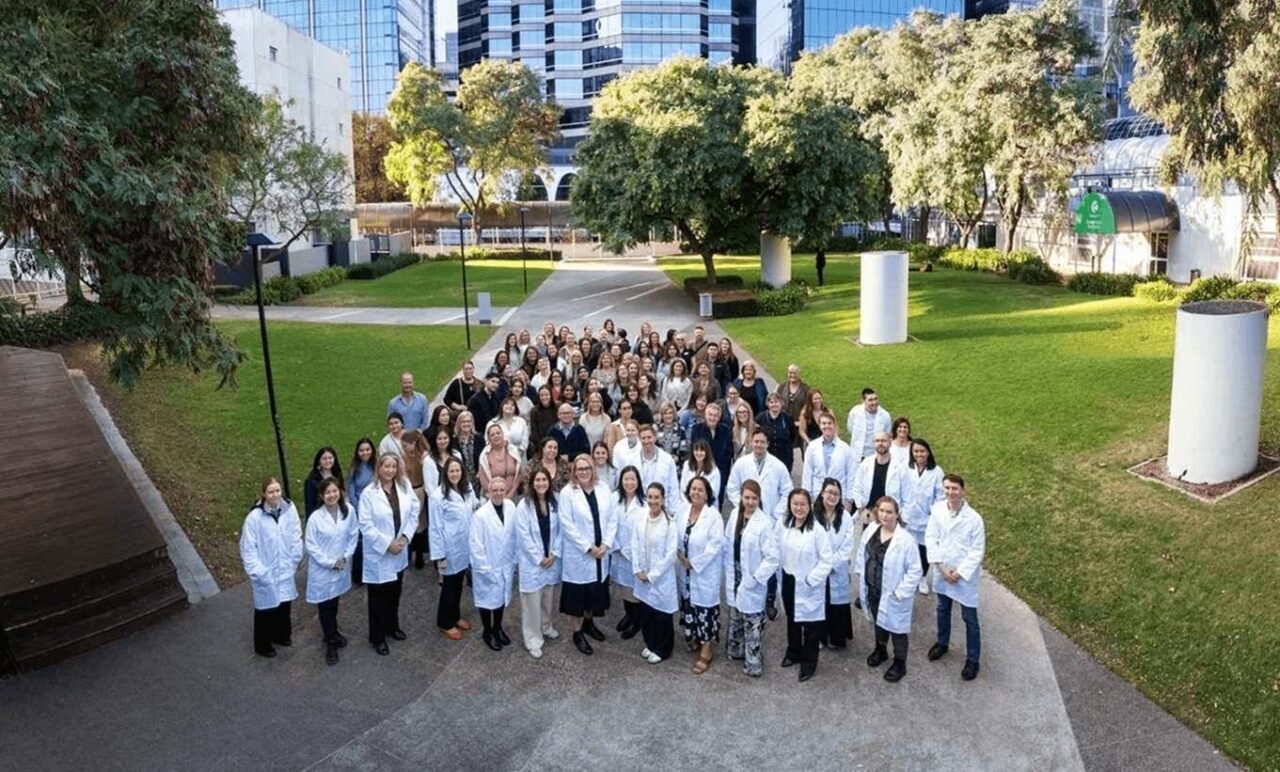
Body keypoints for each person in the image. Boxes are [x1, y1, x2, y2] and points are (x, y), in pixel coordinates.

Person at [855, 495, 922, 683]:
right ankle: (881, 650)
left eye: (889, 512)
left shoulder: (906, 540)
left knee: (898, 630)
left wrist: (900, 593)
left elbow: (915, 570)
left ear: (897, 514)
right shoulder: (872, 530)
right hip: (873, 588)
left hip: (893, 594)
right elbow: (862, 552)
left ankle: (900, 662)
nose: (885, 515)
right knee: (879, 622)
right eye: (882, 511)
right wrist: (861, 573)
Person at [926, 474, 986, 681]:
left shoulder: (975, 519)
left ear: (963, 491)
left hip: (963, 576)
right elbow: (931, 538)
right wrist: (941, 568)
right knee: (942, 609)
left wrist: (959, 573)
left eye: (955, 489)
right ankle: (942, 643)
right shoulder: (937, 510)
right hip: (943, 570)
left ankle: (973, 660)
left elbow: (977, 551)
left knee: (969, 618)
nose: (950, 492)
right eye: (947, 488)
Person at [358, 454, 419, 655]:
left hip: (399, 548)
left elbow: (413, 511)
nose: (390, 470)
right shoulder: (369, 493)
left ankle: (392, 627)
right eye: (386, 466)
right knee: (377, 598)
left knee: (395, 592)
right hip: (380, 553)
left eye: (394, 466)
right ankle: (377, 637)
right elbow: (365, 525)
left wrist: (405, 538)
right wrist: (387, 545)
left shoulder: (403, 486)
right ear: (379, 468)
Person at [559, 455, 617, 655]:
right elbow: (567, 525)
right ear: (574, 471)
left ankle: (588, 623)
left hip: (601, 553)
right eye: (579, 468)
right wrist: (588, 547)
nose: (583, 472)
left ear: (593, 469)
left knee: (594, 594)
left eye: (587, 468)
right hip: (580, 555)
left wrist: (606, 544)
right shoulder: (568, 493)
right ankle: (577, 632)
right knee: (576, 598)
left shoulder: (603, 489)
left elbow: (612, 518)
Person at [240, 477, 302, 658]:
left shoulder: (289, 509)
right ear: (263, 494)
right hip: (266, 571)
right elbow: (248, 549)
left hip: (286, 567)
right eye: (271, 492)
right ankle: (263, 645)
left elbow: (296, 533)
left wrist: (294, 558)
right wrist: (259, 572)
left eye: (277, 491)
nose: (275, 495)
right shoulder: (254, 518)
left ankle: (282, 635)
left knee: (284, 605)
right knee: (265, 610)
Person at [723, 480, 780, 678]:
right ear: (740, 497)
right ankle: (736, 651)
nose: (749, 502)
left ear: (759, 499)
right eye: (746, 497)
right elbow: (727, 544)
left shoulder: (764, 523)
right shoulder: (734, 516)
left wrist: (756, 578)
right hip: (735, 574)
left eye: (754, 498)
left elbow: (772, 558)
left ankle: (753, 664)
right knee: (736, 616)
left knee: (752, 623)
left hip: (752, 578)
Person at [779, 489, 833, 682]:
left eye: (803, 504)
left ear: (810, 505)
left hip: (809, 583)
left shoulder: (818, 531)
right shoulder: (785, 525)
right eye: (795, 504)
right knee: (792, 618)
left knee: (810, 625)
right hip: (789, 579)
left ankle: (809, 663)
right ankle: (793, 651)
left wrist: (811, 579)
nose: (798, 508)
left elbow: (827, 561)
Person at [305, 478, 359, 665]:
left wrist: (346, 557)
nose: (332, 495)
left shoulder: (348, 511)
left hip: (341, 565)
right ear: (321, 496)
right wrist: (330, 563)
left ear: (340, 492)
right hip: (323, 569)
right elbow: (311, 546)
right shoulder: (315, 518)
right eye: (327, 492)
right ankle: (330, 643)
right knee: (325, 606)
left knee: (334, 602)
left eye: (334, 491)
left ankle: (333, 632)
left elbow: (353, 534)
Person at [676, 476, 723, 675]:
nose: (696, 493)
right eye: (693, 489)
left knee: (704, 610)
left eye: (700, 490)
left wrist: (693, 563)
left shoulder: (713, 516)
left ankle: (707, 649)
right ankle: (693, 636)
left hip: (702, 572)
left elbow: (715, 546)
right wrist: (680, 555)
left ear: (707, 494)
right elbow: (675, 535)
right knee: (689, 606)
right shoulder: (682, 511)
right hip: (684, 572)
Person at [515, 468, 562, 659]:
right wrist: (538, 557)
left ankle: (546, 626)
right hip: (533, 562)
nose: (541, 483)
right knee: (532, 601)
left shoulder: (555, 501)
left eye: (544, 480)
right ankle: (533, 639)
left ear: (549, 482)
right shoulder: (524, 506)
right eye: (538, 480)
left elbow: (561, 529)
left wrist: (554, 553)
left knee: (547, 597)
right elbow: (523, 536)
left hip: (550, 558)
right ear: (532, 483)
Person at [429, 457, 477, 641]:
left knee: (458, 584)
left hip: (465, 545)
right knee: (449, 586)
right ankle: (445, 622)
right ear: (445, 474)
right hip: (449, 549)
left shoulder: (467, 488)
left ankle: (455, 616)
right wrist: (440, 555)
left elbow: (474, 507)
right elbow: (435, 527)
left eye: (458, 470)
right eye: (451, 471)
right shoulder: (437, 496)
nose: (455, 474)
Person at [631, 482, 679, 664]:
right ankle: (650, 644)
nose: (653, 501)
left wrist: (652, 575)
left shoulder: (670, 524)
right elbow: (635, 543)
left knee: (662, 615)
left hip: (659, 578)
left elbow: (670, 554)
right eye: (650, 497)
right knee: (647, 612)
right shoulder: (641, 518)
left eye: (656, 497)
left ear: (663, 499)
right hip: (642, 575)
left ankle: (663, 649)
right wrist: (637, 569)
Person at [470, 476, 517, 652]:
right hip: (487, 566)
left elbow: (514, 535)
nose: (498, 493)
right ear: (488, 492)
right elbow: (476, 545)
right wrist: (484, 569)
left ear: (506, 491)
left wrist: (515, 561)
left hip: (505, 564)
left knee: (500, 600)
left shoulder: (511, 507)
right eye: (494, 490)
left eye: (501, 490)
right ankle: (487, 632)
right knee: (486, 601)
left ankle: (497, 628)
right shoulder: (480, 515)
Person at [816, 478, 856, 650]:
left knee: (836, 603)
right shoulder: (813, 514)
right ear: (822, 493)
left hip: (836, 568)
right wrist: (822, 565)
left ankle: (836, 637)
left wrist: (832, 564)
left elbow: (848, 544)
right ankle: (818, 637)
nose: (832, 496)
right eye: (829, 492)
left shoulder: (845, 517)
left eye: (836, 494)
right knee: (818, 602)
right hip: (816, 567)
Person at [902, 438, 945, 595]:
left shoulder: (937, 472)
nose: (919, 454)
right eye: (916, 451)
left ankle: (921, 577)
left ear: (928, 453)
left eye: (922, 451)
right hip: (907, 516)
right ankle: (907, 576)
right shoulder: (905, 469)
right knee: (907, 547)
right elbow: (897, 490)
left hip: (927, 518)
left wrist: (933, 515)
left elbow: (940, 496)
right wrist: (900, 511)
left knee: (924, 549)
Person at [610, 466, 648, 640]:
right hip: (618, 551)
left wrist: (630, 550)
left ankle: (637, 620)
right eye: (626, 479)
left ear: (638, 482)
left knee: (635, 590)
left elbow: (645, 533)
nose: (629, 483)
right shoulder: (614, 498)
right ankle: (628, 614)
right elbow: (608, 523)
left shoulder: (644, 505)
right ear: (621, 481)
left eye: (632, 479)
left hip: (634, 555)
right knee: (624, 588)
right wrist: (616, 545)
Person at [726, 428, 792, 519]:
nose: (759, 445)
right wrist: (743, 505)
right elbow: (732, 488)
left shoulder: (778, 466)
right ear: (751, 443)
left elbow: (787, 492)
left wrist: (777, 512)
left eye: (762, 442)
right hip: (746, 514)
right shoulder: (741, 463)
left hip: (770, 516)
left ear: (767, 444)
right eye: (756, 441)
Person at [852, 432, 907, 521]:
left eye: (884, 440)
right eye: (877, 441)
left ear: (890, 442)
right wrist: (860, 508)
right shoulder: (866, 463)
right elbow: (856, 487)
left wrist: (899, 514)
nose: (880, 443)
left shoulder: (900, 466)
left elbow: (906, 494)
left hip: (889, 516)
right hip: (868, 513)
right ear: (873, 443)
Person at [801, 413, 856, 503]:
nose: (827, 426)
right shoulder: (812, 446)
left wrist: (849, 499)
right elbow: (807, 472)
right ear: (820, 426)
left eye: (829, 423)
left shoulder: (846, 448)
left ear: (834, 425)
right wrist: (807, 496)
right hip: (817, 495)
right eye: (824, 423)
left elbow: (851, 474)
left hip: (839, 495)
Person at [346, 438, 377, 585]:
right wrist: (358, 508)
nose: (365, 453)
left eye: (367, 449)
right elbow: (351, 489)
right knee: (360, 543)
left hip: (375, 509)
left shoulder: (377, 466)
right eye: (361, 450)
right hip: (359, 508)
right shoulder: (355, 468)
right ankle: (358, 574)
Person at [689, 402, 732, 502]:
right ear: (705, 415)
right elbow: (693, 450)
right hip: (701, 471)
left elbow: (728, 454)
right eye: (710, 415)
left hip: (719, 471)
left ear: (719, 417)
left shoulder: (725, 430)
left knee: (717, 501)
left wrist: (725, 477)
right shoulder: (696, 429)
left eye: (715, 415)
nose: (712, 418)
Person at [399, 431, 430, 570]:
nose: (404, 448)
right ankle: (409, 551)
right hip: (409, 491)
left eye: (406, 445)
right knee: (409, 521)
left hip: (420, 489)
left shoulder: (423, 457)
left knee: (420, 522)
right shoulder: (404, 458)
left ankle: (419, 553)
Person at [634, 424, 681, 502]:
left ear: (655, 438)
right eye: (643, 438)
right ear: (639, 439)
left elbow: (673, 487)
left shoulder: (667, 459)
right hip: (640, 506)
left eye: (649, 437)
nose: (646, 441)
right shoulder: (633, 460)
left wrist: (672, 511)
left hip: (662, 505)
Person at [846, 388, 893, 461]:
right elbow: (850, 428)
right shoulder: (855, 412)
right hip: (857, 455)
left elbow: (887, 435)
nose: (874, 402)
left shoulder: (885, 416)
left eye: (876, 399)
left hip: (875, 456)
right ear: (863, 401)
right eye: (870, 400)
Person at [756, 392, 796, 471]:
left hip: (784, 456)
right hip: (766, 456)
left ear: (781, 403)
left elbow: (793, 435)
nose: (774, 404)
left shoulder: (787, 418)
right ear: (767, 404)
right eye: (771, 402)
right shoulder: (761, 417)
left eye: (776, 402)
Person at [303, 446, 344, 523]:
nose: (328, 461)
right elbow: (309, 505)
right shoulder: (311, 480)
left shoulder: (337, 473)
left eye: (330, 458)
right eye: (324, 459)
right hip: (321, 516)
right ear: (319, 461)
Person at [679, 439, 721, 507]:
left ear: (707, 452)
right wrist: (689, 504)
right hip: (687, 506)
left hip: (707, 508)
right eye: (696, 450)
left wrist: (700, 506)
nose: (698, 453)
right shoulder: (687, 465)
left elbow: (713, 494)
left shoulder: (714, 471)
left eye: (702, 450)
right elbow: (683, 489)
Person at [528, 386, 559, 450]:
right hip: (540, 445)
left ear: (551, 395)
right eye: (541, 395)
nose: (544, 397)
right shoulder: (534, 411)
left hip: (556, 443)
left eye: (546, 395)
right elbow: (534, 432)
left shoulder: (557, 408)